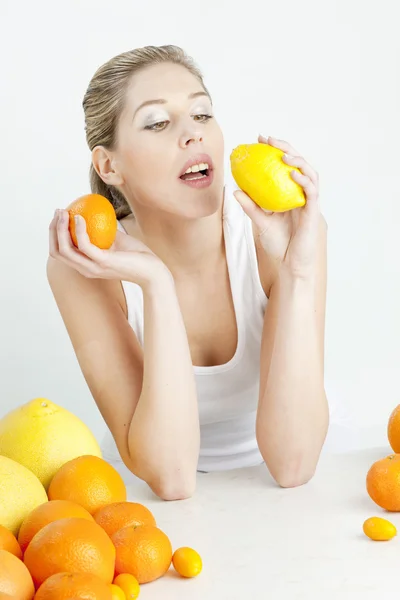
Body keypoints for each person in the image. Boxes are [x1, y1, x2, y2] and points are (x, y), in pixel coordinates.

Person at [47, 45, 329, 501]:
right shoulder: (86, 267)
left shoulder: (283, 236)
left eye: (202, 114)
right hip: (140, 509)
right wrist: (156, 285)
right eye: (158, 123)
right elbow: (172, 478)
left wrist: (297, 274)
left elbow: (293, 464)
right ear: (109, 166)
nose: (193, 135)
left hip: (274, 505)